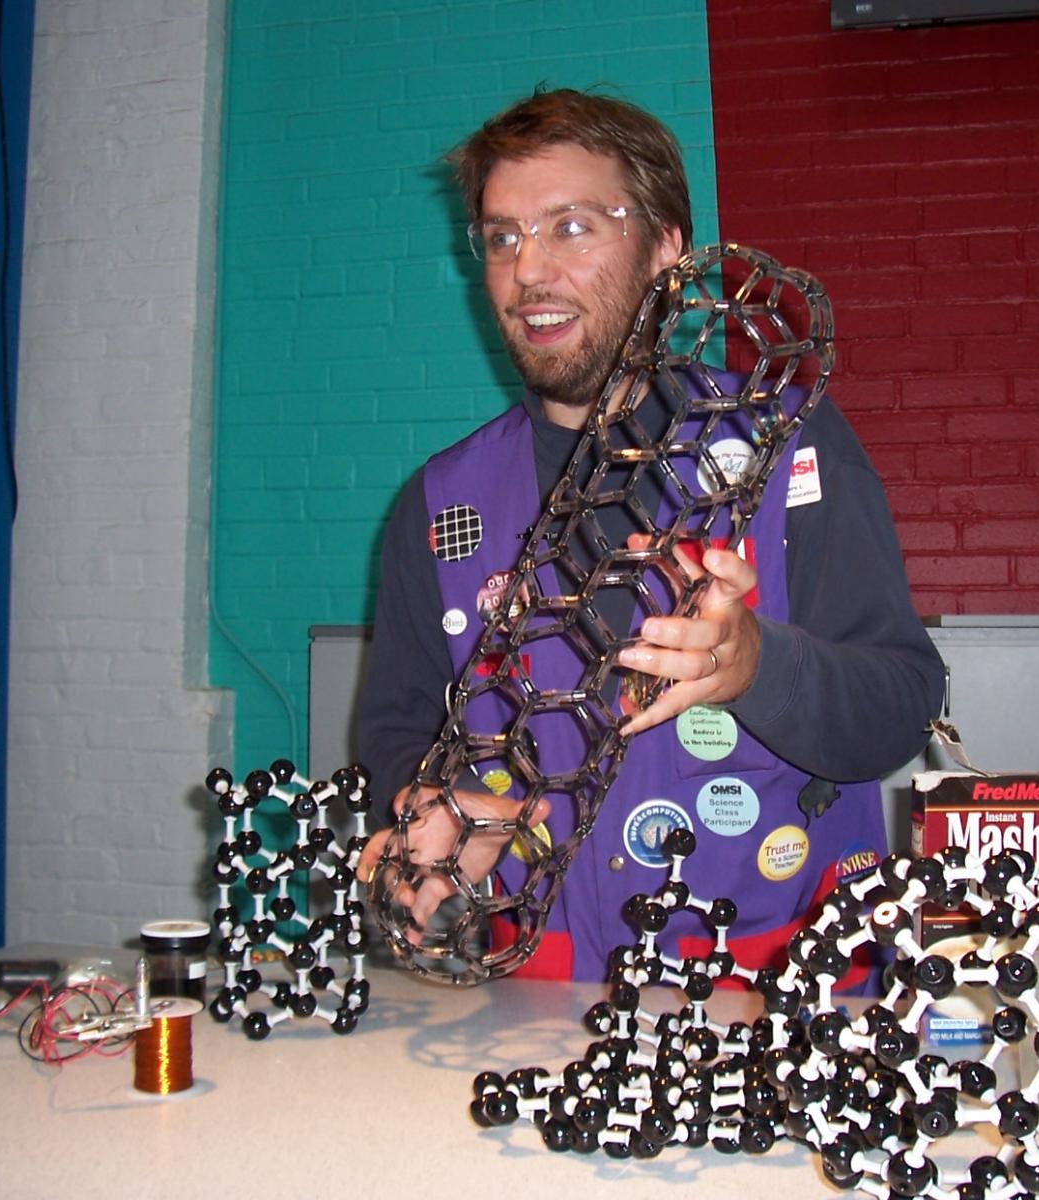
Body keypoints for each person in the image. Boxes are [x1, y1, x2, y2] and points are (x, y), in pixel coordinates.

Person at [356, 88, 944, 984]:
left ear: (668, 249)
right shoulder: (440, 506)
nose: (531, 271)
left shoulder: (788, 443)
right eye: (504, 237)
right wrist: (426, 807)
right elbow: (397, 729)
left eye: (573, 226)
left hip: (774, 991)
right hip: (532, 995)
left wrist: (755, 665)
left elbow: (901, 703)